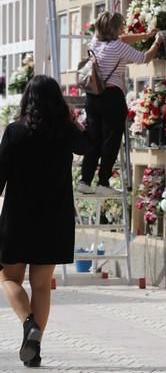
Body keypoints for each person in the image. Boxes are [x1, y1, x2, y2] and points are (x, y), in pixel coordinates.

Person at [0, 75, 91, 368]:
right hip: (55, 219)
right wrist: (71, 119)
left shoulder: (15, 132)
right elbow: (88, 146)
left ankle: (29, 325)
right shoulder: (66, 132)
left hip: (18, 217)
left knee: (8, 277)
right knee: (41, 285)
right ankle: (34, 348)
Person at [77, 12, 163, 195]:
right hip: (112, 97)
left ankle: (84, 180)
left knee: (94, 139)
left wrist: (144, 35)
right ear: (115, 28)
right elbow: (144, 58)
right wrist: (156, 42)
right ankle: (103, 182)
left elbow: (122, 38)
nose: (123, 29)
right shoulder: (117, 47)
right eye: (120, 26)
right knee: (111, 140)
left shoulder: (94, 42)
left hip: (92, 96)